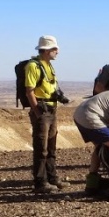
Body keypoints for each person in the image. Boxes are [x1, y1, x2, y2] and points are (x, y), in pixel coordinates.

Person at [25, 35, 71, 194]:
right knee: (41, 147)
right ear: (46, 50)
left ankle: (52, 177)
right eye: (54, 49)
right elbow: (29, 90)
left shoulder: (48, 65)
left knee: (51, 146)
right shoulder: (33, 66)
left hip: (52, 109)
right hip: (43, 110)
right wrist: (37, 111)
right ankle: (40, 182)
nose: (57, 51)